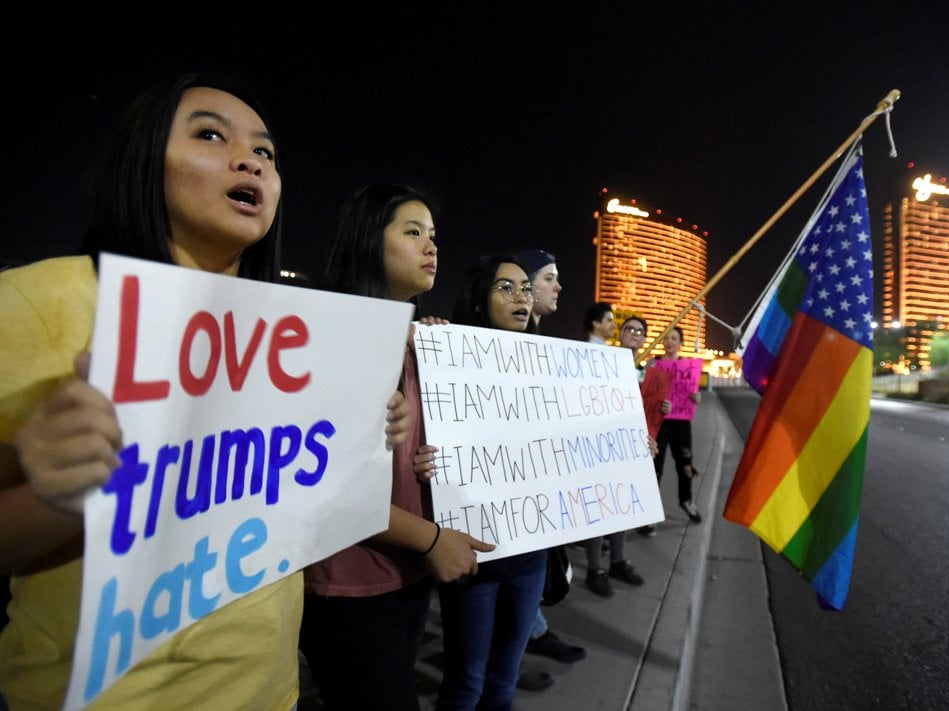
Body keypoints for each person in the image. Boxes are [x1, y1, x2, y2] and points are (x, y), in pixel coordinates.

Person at [0, 74, 411, 710]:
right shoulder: (35, 301)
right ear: (141, 162)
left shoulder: (305, 336)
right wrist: (55, 495)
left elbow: (303, 508)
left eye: (267, 154)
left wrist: (361, 442)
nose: (250, 160)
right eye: (210, 135)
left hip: (270, 691)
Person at [300, 184, 494, 710]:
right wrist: (432, 540)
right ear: (367, 241)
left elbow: (405, 454)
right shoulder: (332, 339)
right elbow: (325, 484)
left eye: (433, 236)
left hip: (405, 573)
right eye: (412, 233)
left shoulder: (416, 342)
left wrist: (433, 462)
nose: (431, 247)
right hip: (349, 584)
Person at [435, 255, 549, 710]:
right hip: (474, 554)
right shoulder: (444, 356)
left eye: (525, 288)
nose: (520, 296)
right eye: (506, 287)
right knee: (467, 681)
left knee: (504, 679)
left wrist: (626, 446)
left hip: (531, 554)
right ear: (479, 299)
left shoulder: (548, 367)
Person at [510, 249, 585, 688]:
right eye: (549, 279)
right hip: (513, 487)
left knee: (533, 573)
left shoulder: (543, 346)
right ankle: (510, 655)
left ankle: (530, 634)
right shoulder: (504, 343)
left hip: (537, 484)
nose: (558, 288)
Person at [579, 315, 650, 598]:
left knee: (622, 507)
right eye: (629, 329)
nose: (635, 333)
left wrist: (663, 408)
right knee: (599, 509)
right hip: (602, 445)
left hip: (630, 448)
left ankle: (618, 561)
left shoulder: (645, 369)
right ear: (620, 335)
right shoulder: (602, 361)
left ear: (645, 338)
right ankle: (595, 569)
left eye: (640, 331)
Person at [649, 326, 702, 526]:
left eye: (674, 338)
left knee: (685, 465)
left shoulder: (688, 368)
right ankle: (650, 513)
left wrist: (697, 397)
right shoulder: (654, 364)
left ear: (681, 343)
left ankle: (686, 500)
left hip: (681, 424)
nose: (670, 342)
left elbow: (694, 394)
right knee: (655, 467)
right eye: (667, 338)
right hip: (659, 423)